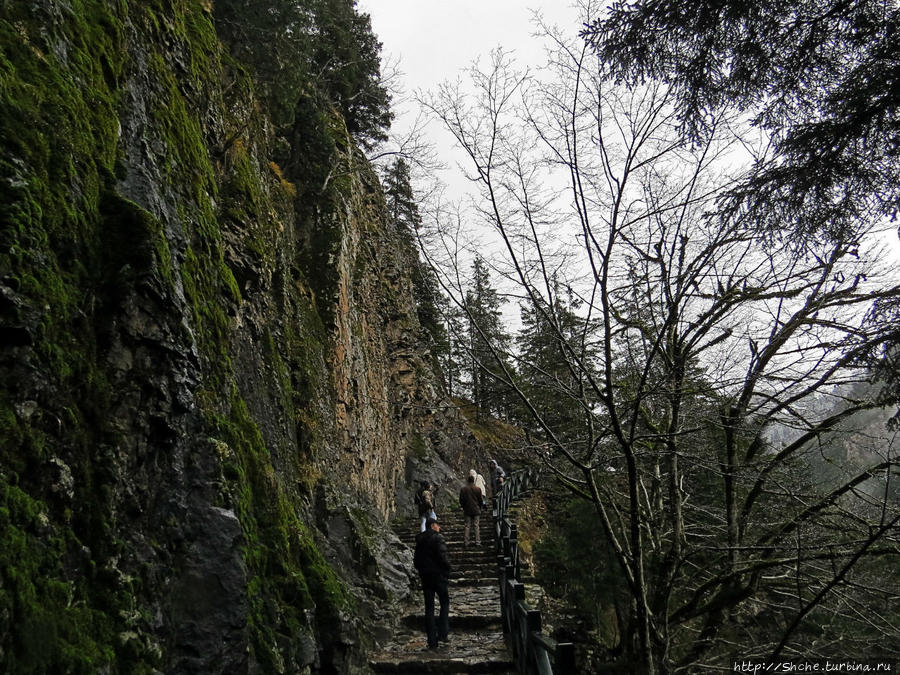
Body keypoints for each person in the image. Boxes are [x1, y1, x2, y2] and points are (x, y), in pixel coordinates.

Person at [413, 517, 451, 649]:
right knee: (444, 602)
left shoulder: (420, 540)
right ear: (433, 525)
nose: (439, 527)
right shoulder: (438, 538)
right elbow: (442, 556)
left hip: (426, 577)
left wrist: (422, 571)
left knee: (429, 607)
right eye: (438, 525)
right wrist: (447, 568)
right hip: (438, 575)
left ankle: (431, 640)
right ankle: (443, 633)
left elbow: (416, 560)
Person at [458, 474, 483, 546]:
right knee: (476, 526)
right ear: (474, 481)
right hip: (476, 509)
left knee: (467, 526)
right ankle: (477, 542)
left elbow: (461, 500)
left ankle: (466, 542)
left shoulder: (463, 489)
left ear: (467, 481)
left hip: (467, 509)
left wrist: (463, 507)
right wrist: (480, 507)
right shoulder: (478, 489)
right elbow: (480, 500)